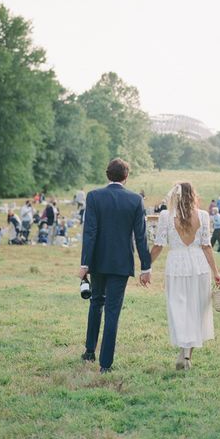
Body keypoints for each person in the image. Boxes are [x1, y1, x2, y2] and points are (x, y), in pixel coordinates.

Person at [79, 158, 151, 373]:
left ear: (107, 174)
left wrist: (85, 263)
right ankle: (105, 364)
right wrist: (146, 267)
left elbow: (89, 232)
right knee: (112, 311)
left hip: (98, 261)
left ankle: (90, 350)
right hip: (121, 263)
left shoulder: (94, 196)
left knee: (96, 302)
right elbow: (141, 236)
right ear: (126, 177)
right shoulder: (135, 200)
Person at [150, 182, 220, 371]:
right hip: (199, 265)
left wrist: (146, 266)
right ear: (193, 196)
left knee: (178, 309)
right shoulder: (203, 215)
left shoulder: (166, 216)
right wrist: (216, 272)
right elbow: (207, 246)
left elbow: (158, 246)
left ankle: (184, 353)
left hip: (176, 265)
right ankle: (186, 354)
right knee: (196, 309)